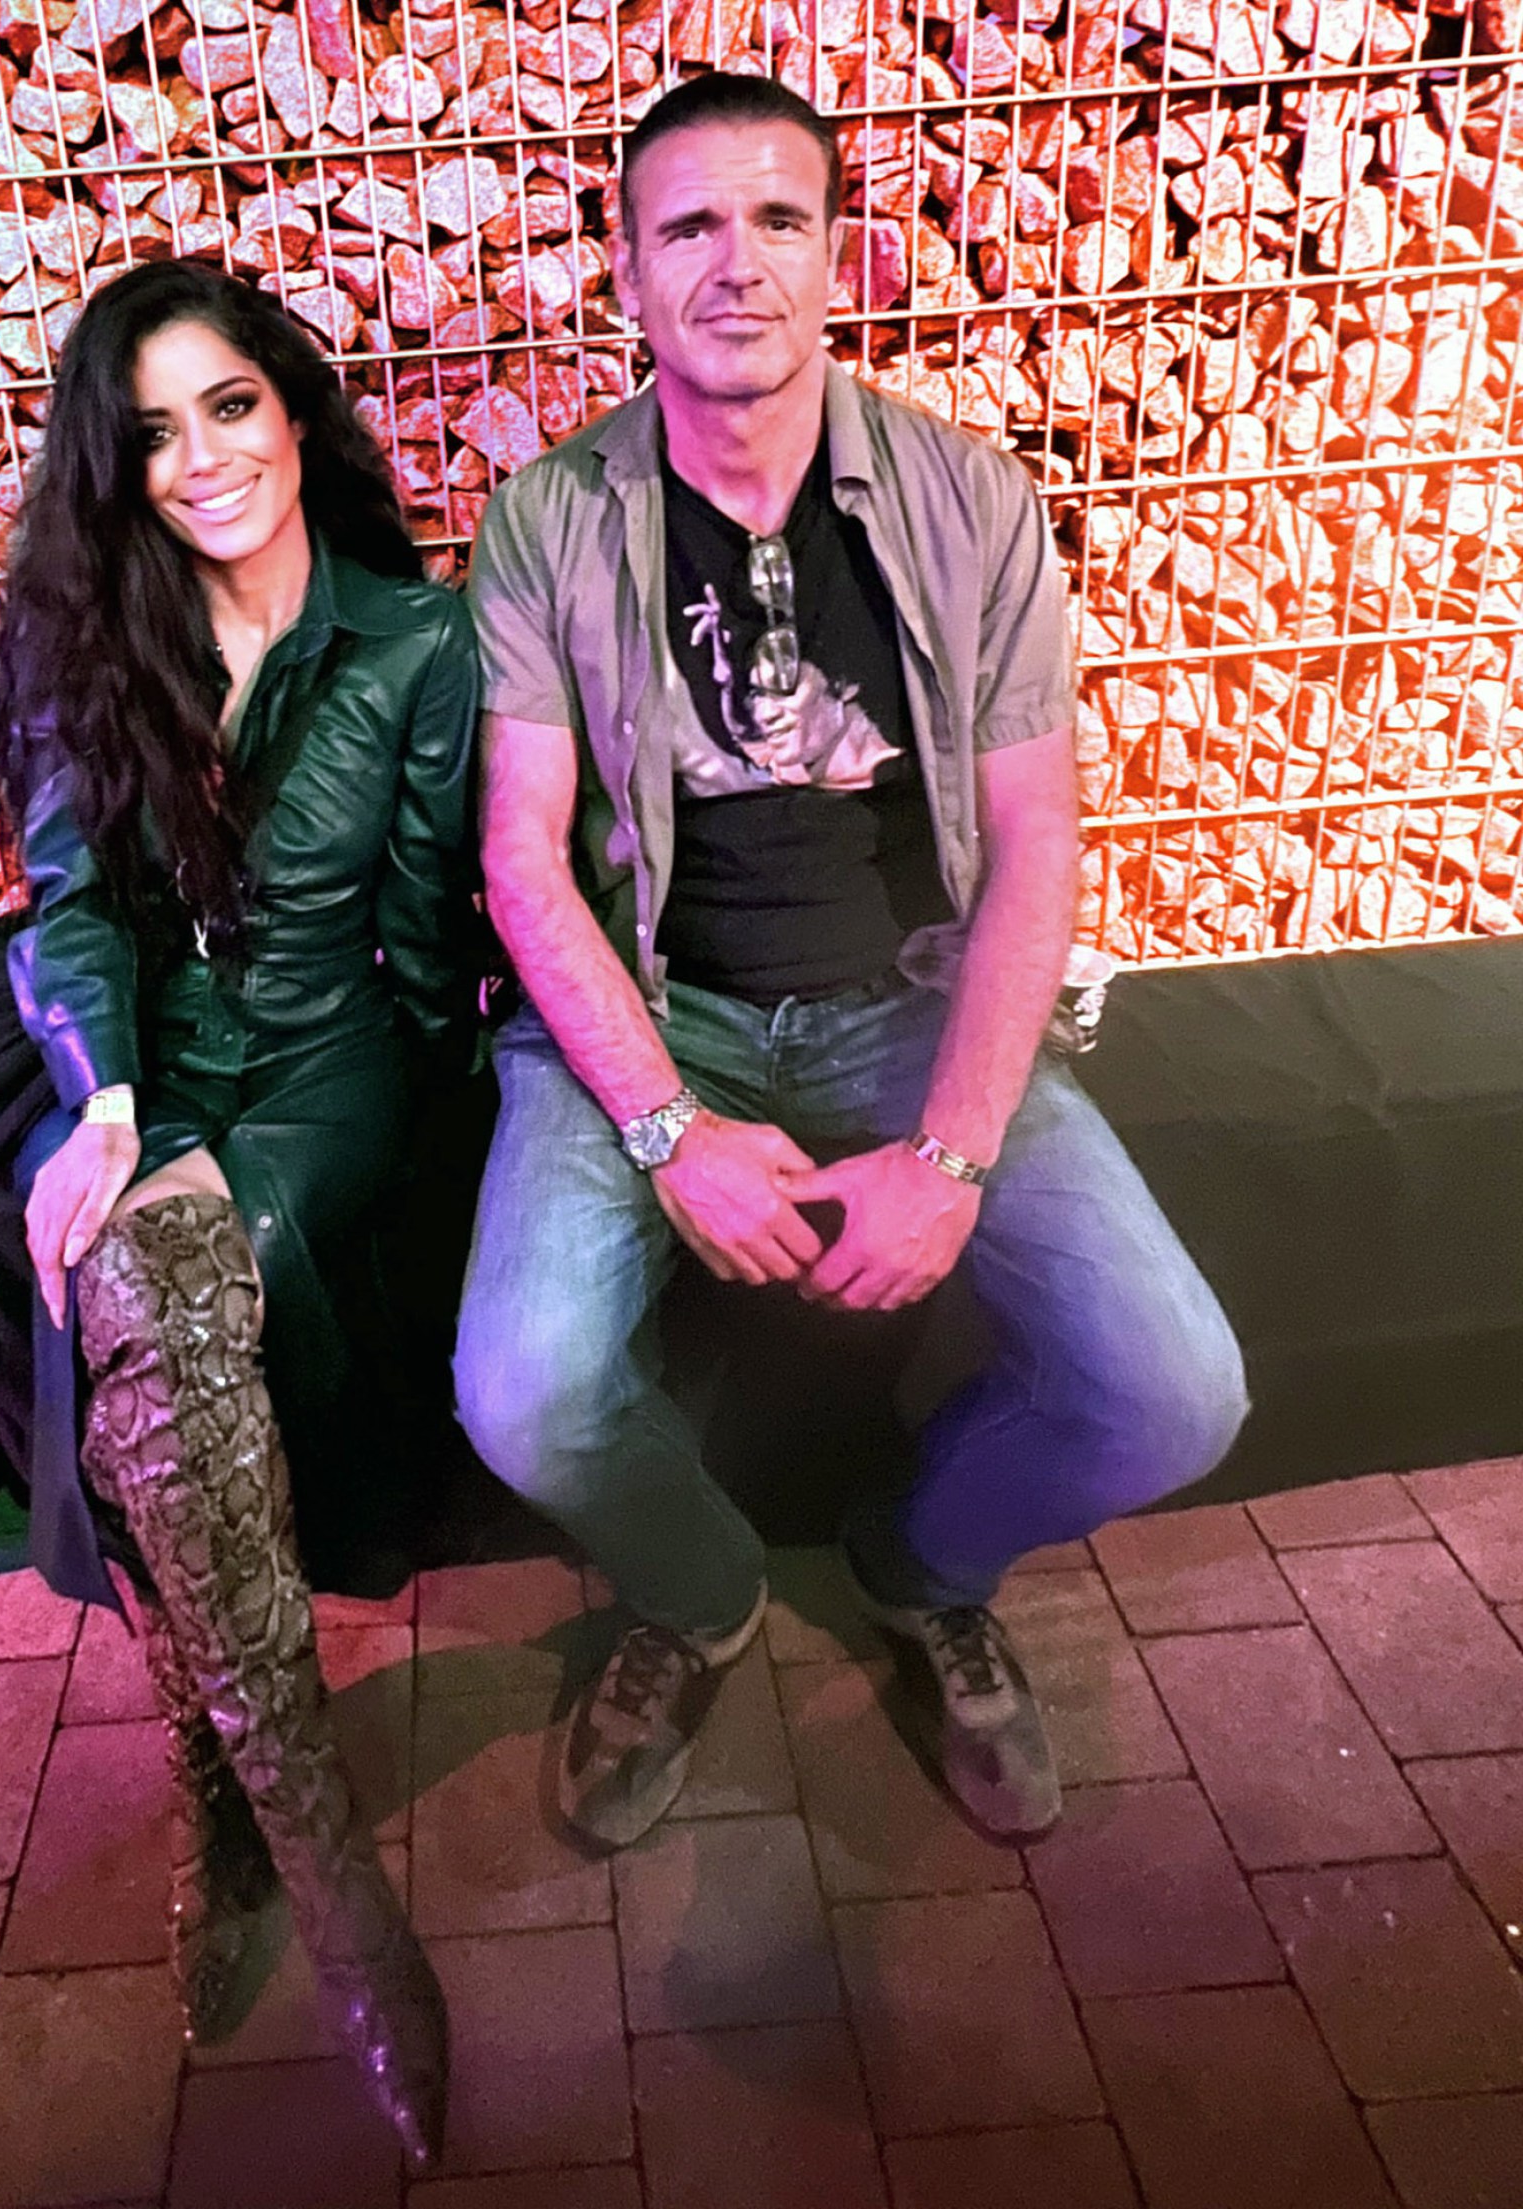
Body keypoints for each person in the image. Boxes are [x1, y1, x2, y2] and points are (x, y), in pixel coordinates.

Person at [454, 73, 1249, 1852]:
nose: (736, 263)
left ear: (840, 255)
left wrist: (953, 1154)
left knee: (1176, 1389)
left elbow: (1038, 845)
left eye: (778, 219)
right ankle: (700, 1593)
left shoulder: (972, 501)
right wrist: (666, 1127)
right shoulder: (549, 520)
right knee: (523, 1390)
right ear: (627, 271)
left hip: (907, 1005)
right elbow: (521, 856)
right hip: (653, 1010)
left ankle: (922, 1563)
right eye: (688, 227)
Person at [0, 257, 478, 2162]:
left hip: (329, 1080)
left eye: (231, 406)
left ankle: (234, 1816)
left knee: (158, 1271)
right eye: (153, 433)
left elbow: (421, 955)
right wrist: (110, 1101)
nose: (201, 459)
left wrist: (415, 1136)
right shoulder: (87, 637)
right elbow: (69, 906)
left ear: (292, 408)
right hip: (152, 1073)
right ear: (113, 469)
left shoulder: (416, 644)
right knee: (142, 1277)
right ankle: (325, 1883)